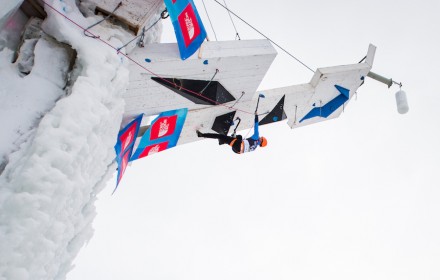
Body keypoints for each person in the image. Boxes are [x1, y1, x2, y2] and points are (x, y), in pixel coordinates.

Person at [196, 115, 267, 154]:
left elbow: (256, 126)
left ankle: (202, 135)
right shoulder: (254, 149)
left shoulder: (256, 137)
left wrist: (256, 116)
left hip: (238, 144)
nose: (260, 137)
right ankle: (224, 141)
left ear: (261, 140)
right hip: (237, 151)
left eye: (261, 138)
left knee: (220, 136)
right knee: (239, 137)